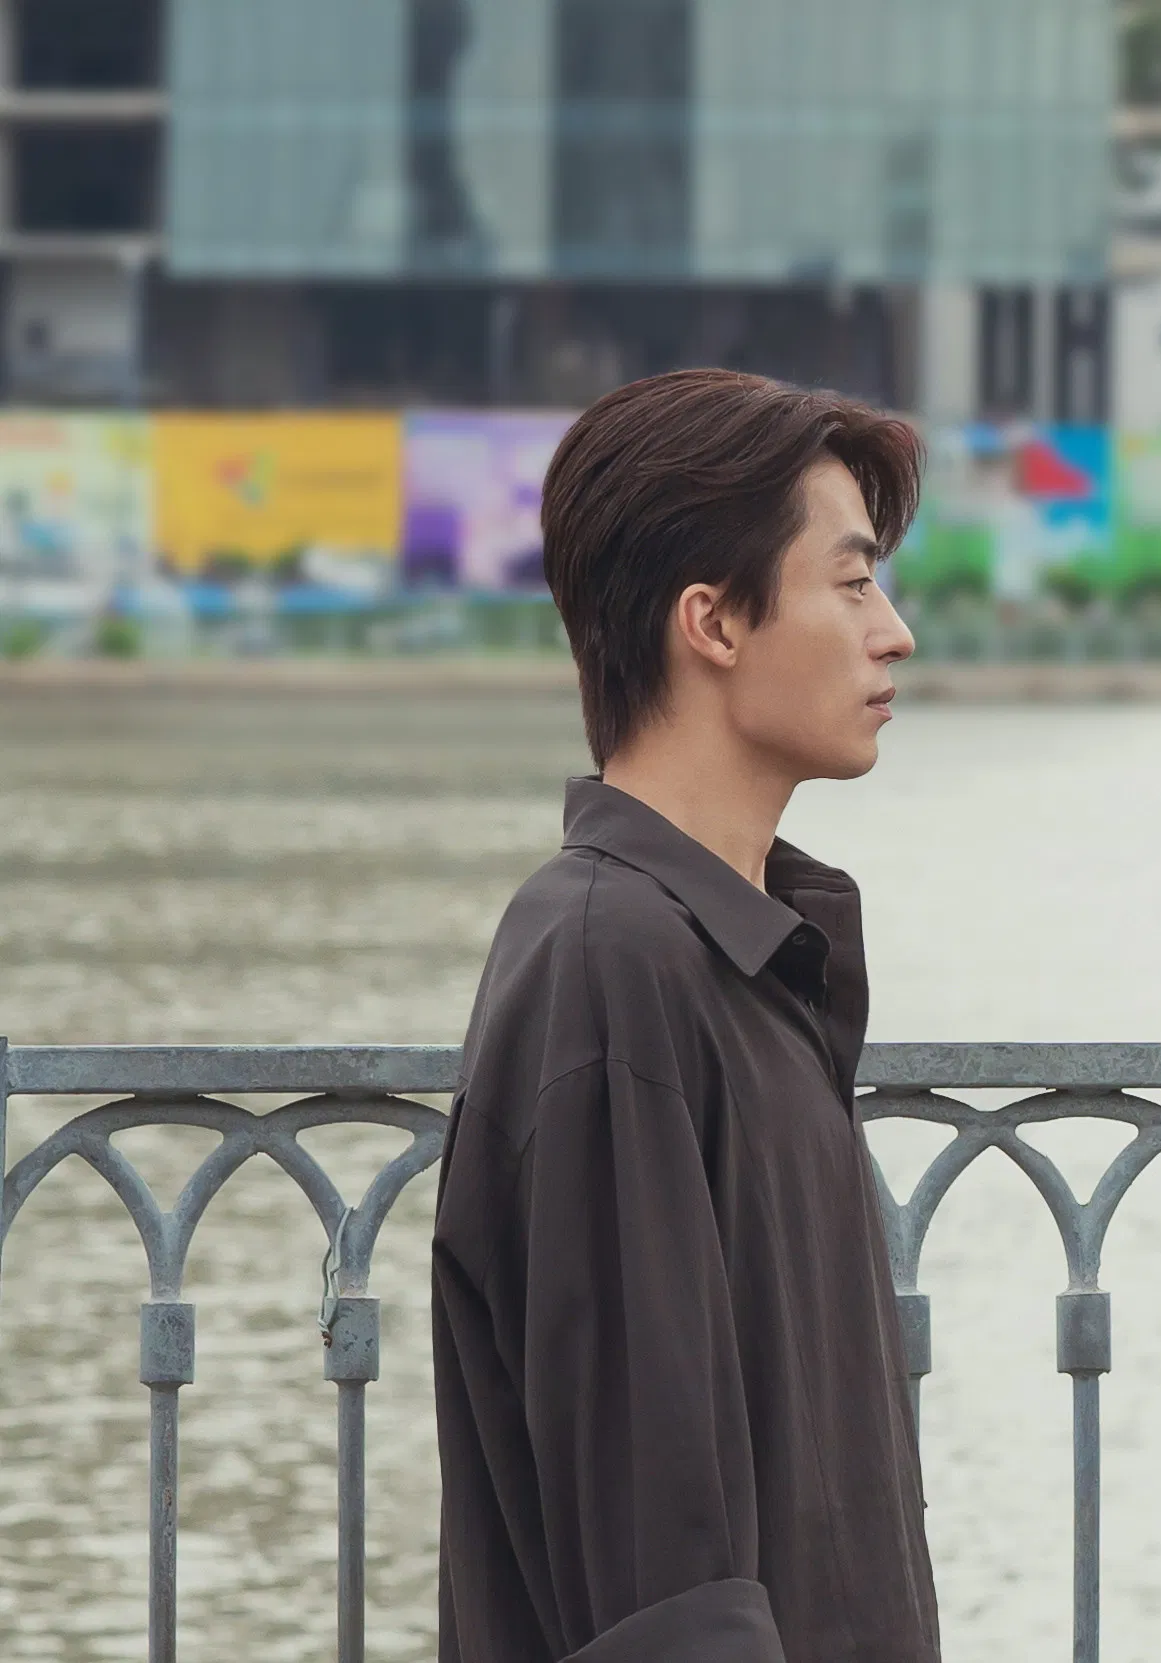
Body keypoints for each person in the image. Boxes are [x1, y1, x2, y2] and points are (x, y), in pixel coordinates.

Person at [431, 370, 935, 1663]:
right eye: (850, 581)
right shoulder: (612, 966)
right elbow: (655, 1553)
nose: (893, 633)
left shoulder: (739, 954)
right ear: (710, 621)